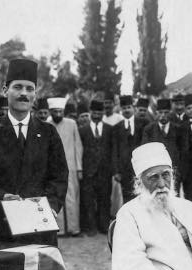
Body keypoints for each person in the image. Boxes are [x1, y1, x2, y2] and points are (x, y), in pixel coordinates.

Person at [0, 57, 68, 246]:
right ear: (5, 90)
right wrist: (1, 197)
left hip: (40, 228)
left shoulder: (48, 133)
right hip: (1, 228)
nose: (24, 94)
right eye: (18, 87)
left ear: (35, 94)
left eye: (29, 89)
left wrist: (51, 206)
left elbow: (59, 176)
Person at [48, 96, 83, 236]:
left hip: (71, 166)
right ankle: (60, 229)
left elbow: (78, 146)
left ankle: (74, 229)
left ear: (63, 111)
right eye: (54, 112)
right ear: (51, 112)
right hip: (53, 168)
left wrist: (79, 168)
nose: (57, 114)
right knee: (56, 197)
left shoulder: (72, 124)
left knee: (72, 197)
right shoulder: (46, 125)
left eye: (60, 111)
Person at [80, 99, 115, 234]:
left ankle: (104, 226)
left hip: (105, 171)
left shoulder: (109, 129)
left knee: (104, 199)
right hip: (88, 171)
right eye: (94, 112)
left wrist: (112, 169)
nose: (96, 114)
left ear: (103, 113)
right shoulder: (82, 130)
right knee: (88, 200)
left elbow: (112, 150)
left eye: (99, 112)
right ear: (90, 113)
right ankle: (91, 227)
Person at [141, 97, 187, 192]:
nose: (163, 116)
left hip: (174, 172)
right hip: (155, 173)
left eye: (166, 113)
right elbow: (146, 152)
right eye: (160, 112)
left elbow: (183, 152)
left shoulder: (178, 129)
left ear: (170, 113)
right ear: (156, 113)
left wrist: (180, 172)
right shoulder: (149, 129)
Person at [112, 95, 148, 204]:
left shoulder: (144, 123)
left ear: (133, 108)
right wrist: (116, 171)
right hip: (124, 170)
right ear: (121, 110)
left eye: (128, 107)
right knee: (127, 198)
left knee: (143, 196)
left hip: (140, 168)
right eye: (124, 108)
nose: (126, 110)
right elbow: (115, 150)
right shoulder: (117, 128)